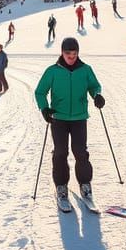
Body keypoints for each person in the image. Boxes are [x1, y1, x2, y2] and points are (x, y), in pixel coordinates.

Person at [34, 37, 104, 210]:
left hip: (79, 118)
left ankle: (85, 186)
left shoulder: (85, 70)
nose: (71, 57)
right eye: (68, 53)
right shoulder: (52, 71)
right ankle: (61, 187)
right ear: (62, 53)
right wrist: (45, 109)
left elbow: (94, 86)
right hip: (58, 118)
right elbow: (40, 92)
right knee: (60, 152)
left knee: (80, 152)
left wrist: (97, 95)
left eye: (74, 54)